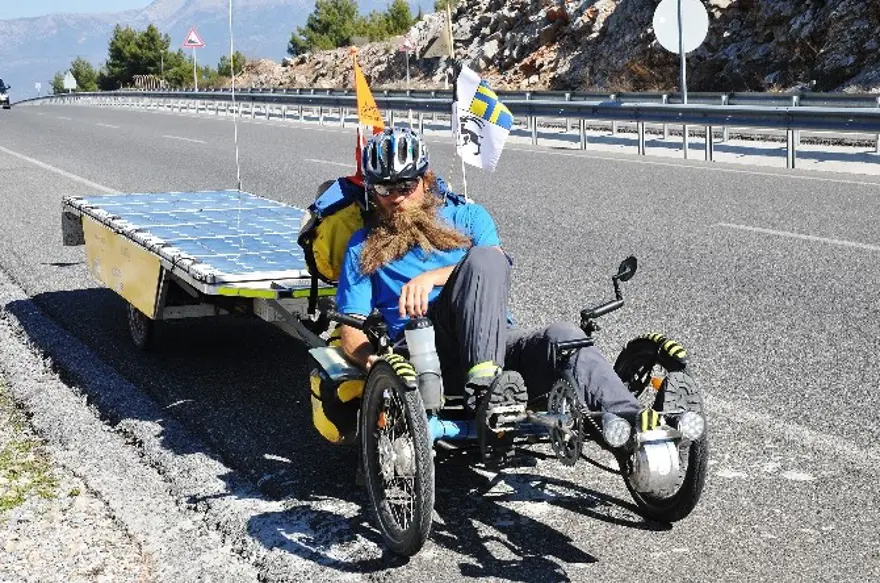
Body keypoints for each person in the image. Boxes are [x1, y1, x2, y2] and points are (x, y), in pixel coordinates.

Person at [335, 127, 648, 456]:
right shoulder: (362, 246)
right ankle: (485, 395)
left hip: (494, 346)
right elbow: (351, 329)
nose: (396, 196)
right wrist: (370, 360)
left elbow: (494, 263)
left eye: (405, 185)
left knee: (564, 338)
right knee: (481, 261)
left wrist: (431, 278)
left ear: (425, 181)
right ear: (372, 190)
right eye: (385, 187)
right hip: (425, 355)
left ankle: (636, 427)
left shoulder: (469, 217)